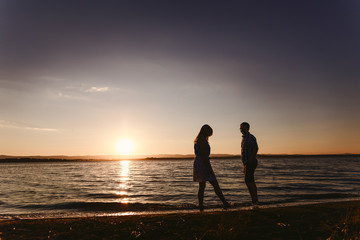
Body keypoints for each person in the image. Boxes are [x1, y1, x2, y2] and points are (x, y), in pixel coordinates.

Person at [193, 124, 230, 211]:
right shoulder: (202, 140)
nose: (210, 135)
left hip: (199, 162)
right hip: (203, 162)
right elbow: (203, 155)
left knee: (202, 186)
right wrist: (209, 167)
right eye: (209, 133)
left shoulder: (199, 139)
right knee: (214, 184)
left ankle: (201, 206)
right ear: (206, 131)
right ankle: (225, 203)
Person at [240, 122, 259, 205]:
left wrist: (251, 159)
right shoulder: (244, 138)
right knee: (251, 181)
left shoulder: (250, 137)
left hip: (250, 162)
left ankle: (254, 200)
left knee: (248, 181)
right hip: (246, 163)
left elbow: (256, 148)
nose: (241, 130)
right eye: (240, 128)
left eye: (243, 128)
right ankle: (255, 200)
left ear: (247, 129)